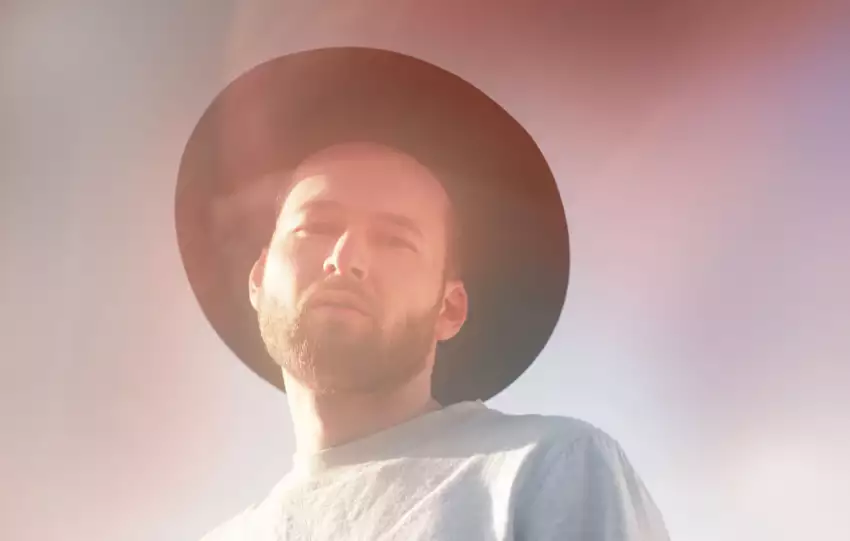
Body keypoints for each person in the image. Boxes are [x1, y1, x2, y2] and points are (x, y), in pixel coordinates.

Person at [176, 46, 669, 540]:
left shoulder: (547, 473)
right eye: (316, 227)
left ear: (449, 309)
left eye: (394, 240)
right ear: (259, 277)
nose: (345, 259)